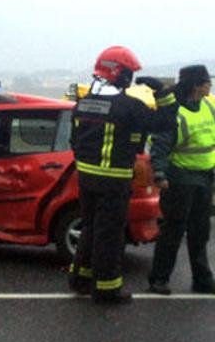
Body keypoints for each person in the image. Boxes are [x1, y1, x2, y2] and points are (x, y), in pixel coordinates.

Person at [67, 46, 177, 304]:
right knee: (110, 233)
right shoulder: (128, 106)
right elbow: (166, 122)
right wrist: (161, 93)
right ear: (121, 74)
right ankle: (106, 288)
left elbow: (74, 140)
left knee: (91, 227)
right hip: (114, 179)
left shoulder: (83, 104)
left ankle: (80, 278)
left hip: (86, 177)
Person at [148, 65, 215, 295]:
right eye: (207, 81)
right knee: (172, 231)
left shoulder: (208, 106)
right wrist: (159, 173)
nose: (210, 85)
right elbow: (161, 144)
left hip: (204, 178)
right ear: (196, 86)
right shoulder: (175, 112)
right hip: (180, 179)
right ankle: (159, 279)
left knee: (200, 232)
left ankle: (202, 279)